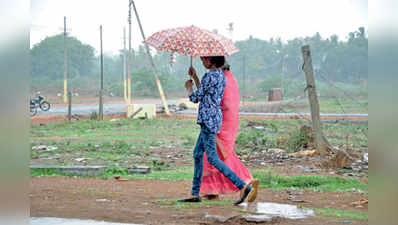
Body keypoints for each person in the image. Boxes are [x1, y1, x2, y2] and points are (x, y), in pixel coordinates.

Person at [179, 56, 253, 205]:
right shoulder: (219, 75)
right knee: (198, 154)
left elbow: (195, 97)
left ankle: (242, 186)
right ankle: (194, 193)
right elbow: (206, 93)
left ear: (211, 61)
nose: (202, 61)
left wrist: (189, 87)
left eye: (204, 60)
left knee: (212, 158)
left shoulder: (209, 76)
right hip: (213, 118)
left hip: (207, 120)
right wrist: (195, 77)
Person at [199, 64, 259, 202]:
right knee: (222, 155)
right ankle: (213, 190)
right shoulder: (230, 80)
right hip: (226, 123)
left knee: (212, 157)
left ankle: (243, 182)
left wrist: (192, 86)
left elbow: (206, 97)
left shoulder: (219, 79)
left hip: (216, 123)